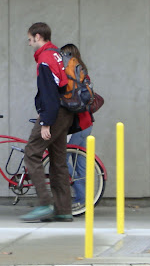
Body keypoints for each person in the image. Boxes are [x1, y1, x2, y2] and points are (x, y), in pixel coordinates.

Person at [20, 23, 74, 222]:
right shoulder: (57, 54)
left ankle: (44, 204)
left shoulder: (44, 58)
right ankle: (63, 210)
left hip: (54, 112)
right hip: (67, 112)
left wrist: (46, 123)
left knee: (32, 153)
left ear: (38, 36)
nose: (29, 43)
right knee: (58, 161)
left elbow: (49, 93)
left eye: (29, 39)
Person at [60, 44, 94, 209]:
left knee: (64, 159)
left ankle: (81, 199)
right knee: (80, 163)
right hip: (86, 124)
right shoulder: (82, 72)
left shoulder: (72, 73)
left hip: (78, 125)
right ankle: (85, 199)